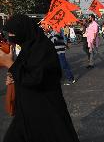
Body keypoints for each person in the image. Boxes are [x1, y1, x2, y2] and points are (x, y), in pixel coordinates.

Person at [0, 14, 80, 142]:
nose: (10, 37)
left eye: (12, 33)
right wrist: (14, 76)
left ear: (23, 31)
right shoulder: (28, 47)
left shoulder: (42, 48)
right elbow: (25, 71)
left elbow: (35, 78)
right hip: (27, 111)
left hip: (45, 109)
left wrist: (8, 63)